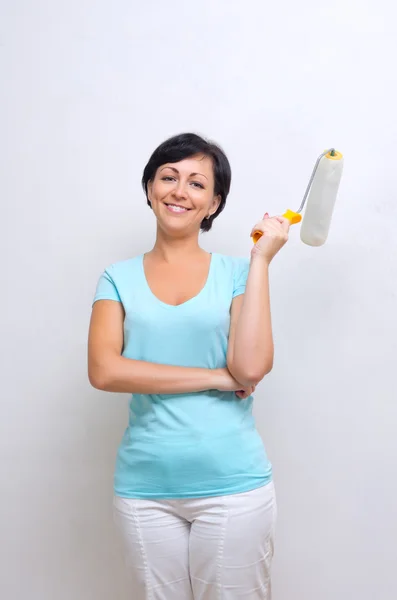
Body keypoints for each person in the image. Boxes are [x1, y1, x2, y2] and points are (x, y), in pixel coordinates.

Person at [88, 132, 289, 600]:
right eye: (169, 177)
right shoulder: (117, 277)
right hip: (144, 489)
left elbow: (252, 366)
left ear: (214, 203)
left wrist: (261, 259)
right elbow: (104, 371)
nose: (180, 190)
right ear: (150, 189)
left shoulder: (238, 273)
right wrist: (218, 378)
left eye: (197, 184)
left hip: (232, 486)